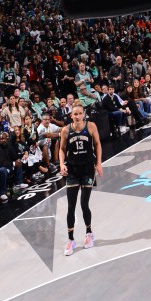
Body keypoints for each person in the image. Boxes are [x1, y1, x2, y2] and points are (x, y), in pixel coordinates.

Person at [58, 101, 103, 256]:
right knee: (71, 206)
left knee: (84, 204)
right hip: (72, 171)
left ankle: (89, 233)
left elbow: (97, 144)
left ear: (83, 114)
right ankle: (71, 240)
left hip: (87, 170)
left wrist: (99, 163)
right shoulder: (65, 130)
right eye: (74, 114)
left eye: (79, 113)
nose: (77, 116)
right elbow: (62, 149)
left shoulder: (91, 127)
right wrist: (62, 164)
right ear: (71, 115)